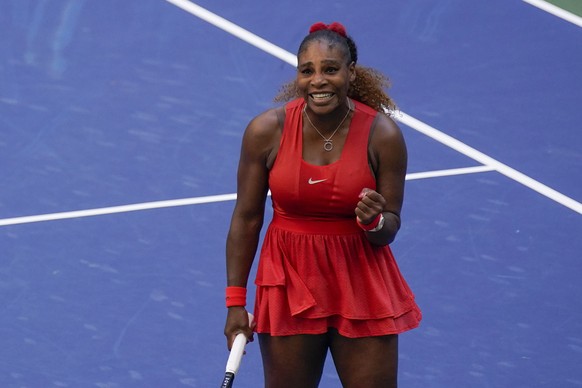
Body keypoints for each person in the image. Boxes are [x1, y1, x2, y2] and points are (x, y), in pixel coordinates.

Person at [224, 21, 421, 388]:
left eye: (330, 69)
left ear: (351, 73)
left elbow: (389, 227)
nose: (318, 81)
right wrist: (235, 301)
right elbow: (247, 218)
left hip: (360, 281)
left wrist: (375, 222)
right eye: (307, 71)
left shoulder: (384, 135)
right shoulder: (265, 132)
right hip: (289, 282)